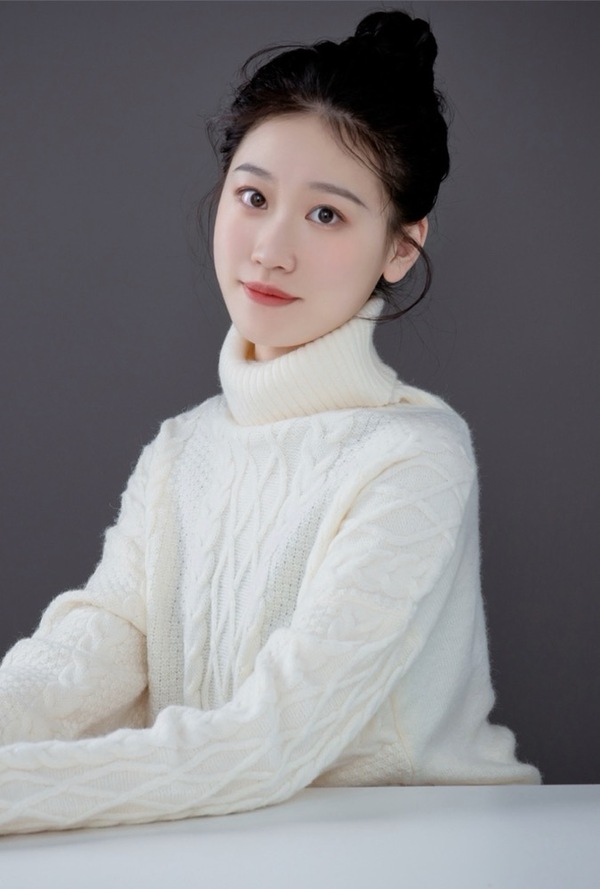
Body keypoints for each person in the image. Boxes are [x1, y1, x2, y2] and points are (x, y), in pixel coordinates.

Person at [0, 9, 540, 835]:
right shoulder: (182, 449)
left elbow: (271, 741)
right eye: (253, 197)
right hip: (231, 840)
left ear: (401, 247)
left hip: (424, 845)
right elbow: (87, 655)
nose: (269, 249)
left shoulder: (413, 457)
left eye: (327, 215)